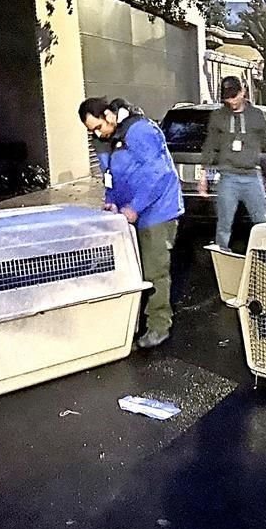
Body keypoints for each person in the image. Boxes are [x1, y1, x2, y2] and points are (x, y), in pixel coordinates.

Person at [78, 97, 184, 349]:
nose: (96, 133)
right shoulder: (104, 141)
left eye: (98, 126)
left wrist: (135, 207)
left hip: (158, 211)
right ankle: (132, 324)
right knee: (131, 270)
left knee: (154, 271)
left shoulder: (140, 131)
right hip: (128, 212)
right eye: (91, 130)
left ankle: (159, 326)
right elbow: (109, 175)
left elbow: (160, 173)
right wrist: (111, 200)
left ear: (109, 115)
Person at [199, 76, 266, 250]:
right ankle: (222, 256)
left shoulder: (257, 115)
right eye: (227, 97)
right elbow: (210, 145)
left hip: (251, 176)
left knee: (261, 220)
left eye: (234, 96)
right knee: (224, 223)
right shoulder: (218, 116)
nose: (231, 101)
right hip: (228, 176)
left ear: (243, 92)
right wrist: (203, 174)